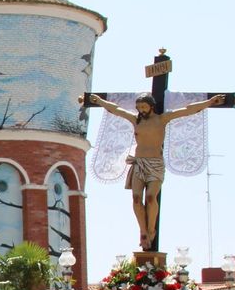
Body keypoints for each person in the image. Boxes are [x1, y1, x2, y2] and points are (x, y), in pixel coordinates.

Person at [85, 79, 227, 249]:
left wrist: (210, 102)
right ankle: (143, 231)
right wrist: (99, 101)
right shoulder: (135, 120)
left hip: (155, 164)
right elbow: (116, 110)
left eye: (144, 107)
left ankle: (151, 230)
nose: (141, 110)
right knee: (137, 199)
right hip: (139, 164)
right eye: (139, 108)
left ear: (151, 106)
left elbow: (188, 110)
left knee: (151, 198)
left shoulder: (162, 119)